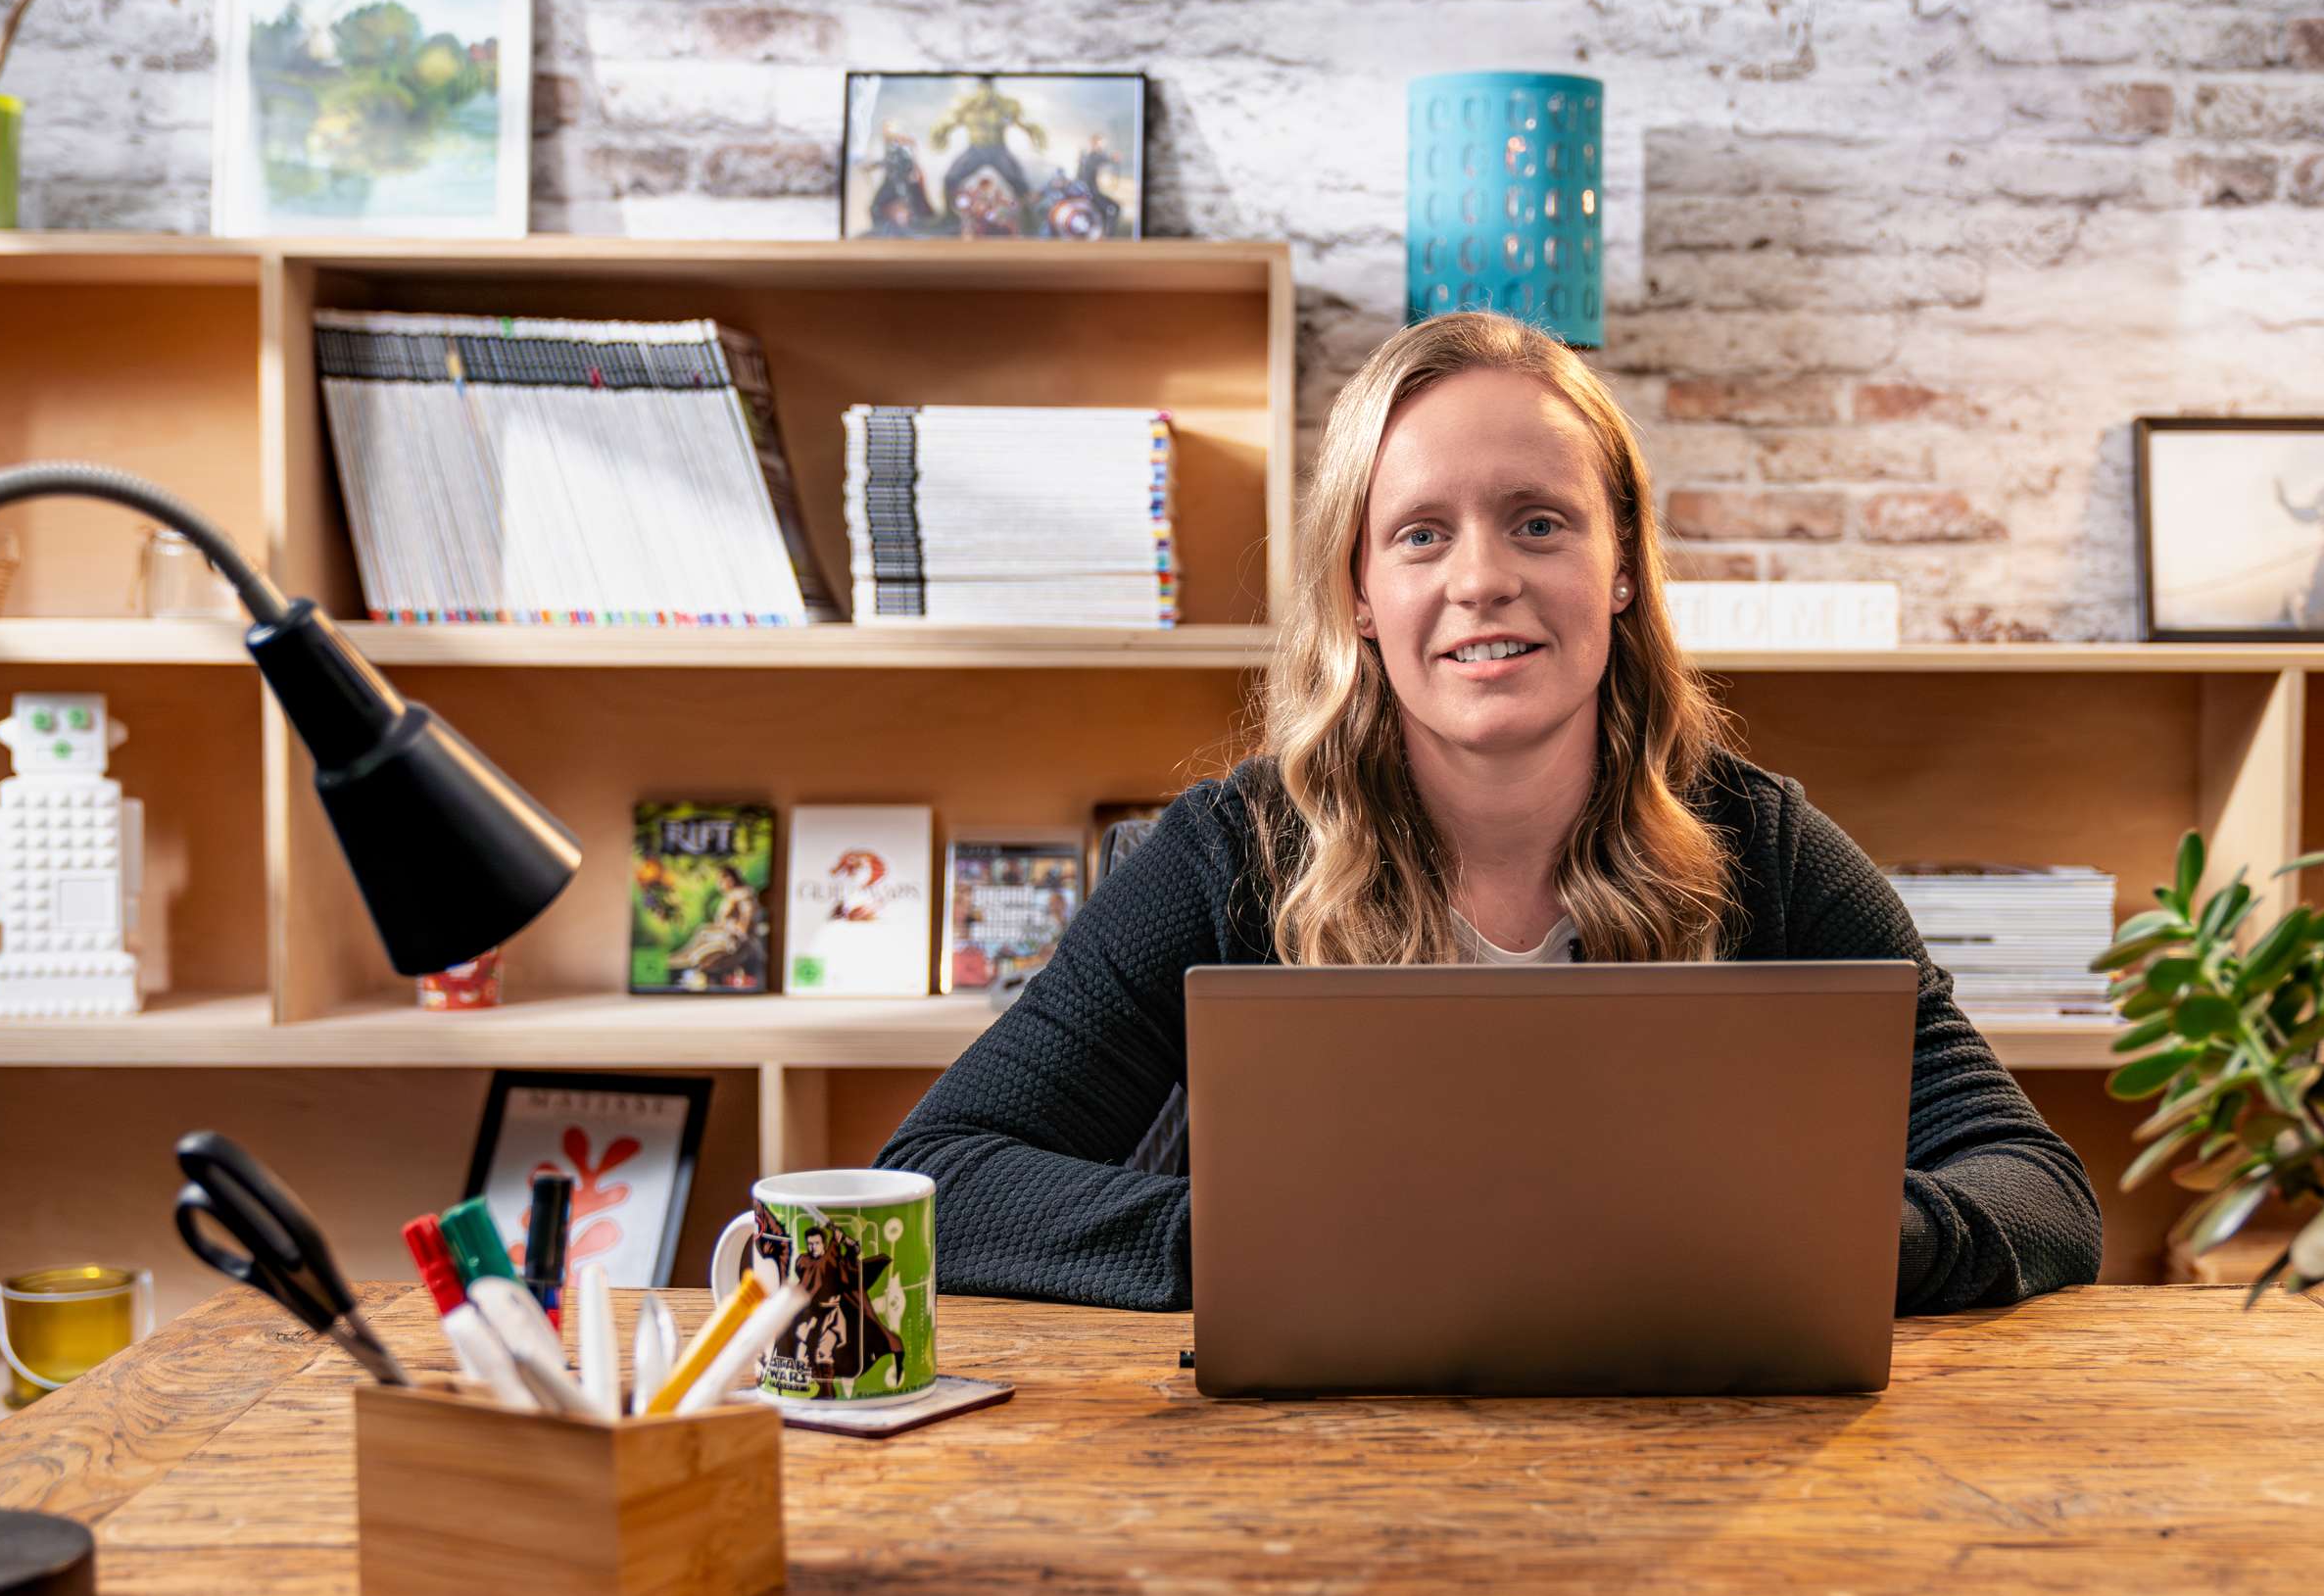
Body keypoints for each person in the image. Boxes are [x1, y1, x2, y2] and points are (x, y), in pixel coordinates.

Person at [880, 312, 2103, 1314]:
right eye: (1420, 534)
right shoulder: (1233, 852)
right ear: (1359, 590)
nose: (1482, 579)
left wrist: (1808, 1241)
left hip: (1693, 1451)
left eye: (1539, 521)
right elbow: (940, 1176)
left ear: (1621, 567)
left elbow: (2038, 1186)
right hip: (1306, 1478)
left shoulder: (1762, 846)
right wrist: (1265, 1245)